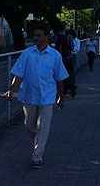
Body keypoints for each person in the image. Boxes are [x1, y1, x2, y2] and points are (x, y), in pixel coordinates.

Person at [6, 24, 68, 169]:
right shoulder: (27, 54)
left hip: (47, 98)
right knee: (29, 125)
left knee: (43, 127)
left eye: (39, 35)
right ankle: (38, 141)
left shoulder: (55, 56)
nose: (36, 38)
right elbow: (18, 75)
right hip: (29, 97)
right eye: (35, 35)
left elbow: (60, 78)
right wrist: (12, 90)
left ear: (47, 37)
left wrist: (61, 96)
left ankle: (37, 156)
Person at [55, 28, 76, 98]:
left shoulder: (59, 37)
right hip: (69, 57)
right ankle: (71, 91)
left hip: (63, 58)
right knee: (70, 74)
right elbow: (72, 47)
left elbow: (58, 48)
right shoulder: (69, 37)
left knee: (63, 76)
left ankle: (65, 91)